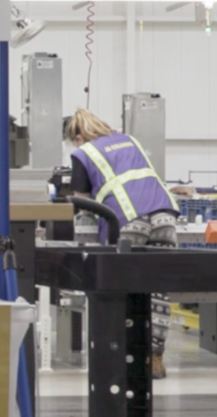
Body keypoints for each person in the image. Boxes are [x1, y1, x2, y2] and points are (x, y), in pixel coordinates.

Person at [65, 107, 179, 379]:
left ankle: (125, 357)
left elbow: (83, 204)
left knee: (122, 289)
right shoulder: (130, 140)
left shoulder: (82, 153)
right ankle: (154, 360)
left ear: (78, 138)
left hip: (127, 219)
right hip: (165, 215)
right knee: (158, 291)